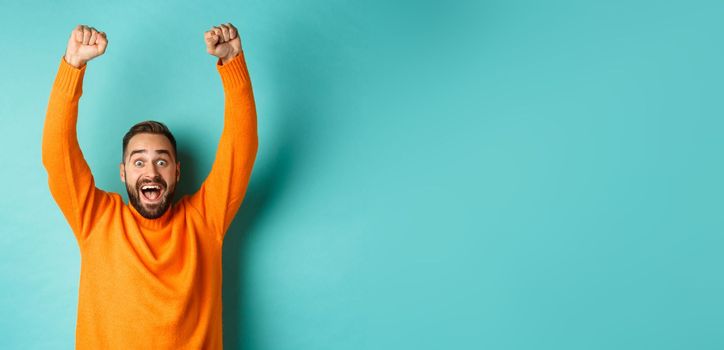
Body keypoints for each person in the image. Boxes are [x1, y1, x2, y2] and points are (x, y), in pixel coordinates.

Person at [41, 23, 258, 349]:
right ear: (124, 173)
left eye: (162, 160)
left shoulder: (204, 220)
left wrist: (232, 63)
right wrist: (73, 65)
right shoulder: (96, 219)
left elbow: (241, 148)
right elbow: (57, 154)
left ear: (177, 171)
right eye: (139, 161)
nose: (151, 172)